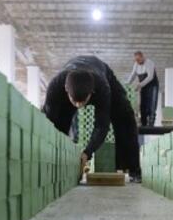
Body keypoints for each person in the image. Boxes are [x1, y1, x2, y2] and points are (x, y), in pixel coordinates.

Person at [43, 55, 142, 183]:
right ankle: (57, 165)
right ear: (66, 90)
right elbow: (49, 123)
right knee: (59, 124)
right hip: (68, 83)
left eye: (83, 101)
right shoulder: (55, 87)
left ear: (92, 92)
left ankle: (133, 169)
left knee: (125, 117)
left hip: (102, 71)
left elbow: (102, 125)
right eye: (75, 101)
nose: (79, 106)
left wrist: (87, 153)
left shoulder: (102, 87)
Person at [126, 50, 159, 127]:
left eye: (138, 59)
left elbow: (150, 77)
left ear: (142, 57)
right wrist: (127, 84)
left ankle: (151, 123)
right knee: (143, 105)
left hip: (152, 86)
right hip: (144, 86)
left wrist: (139, 85)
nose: (137, 61)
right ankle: (143, 123)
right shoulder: (136, 64)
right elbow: (132, 75)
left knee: (152, 104)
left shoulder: (149, 63)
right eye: (136, 60)